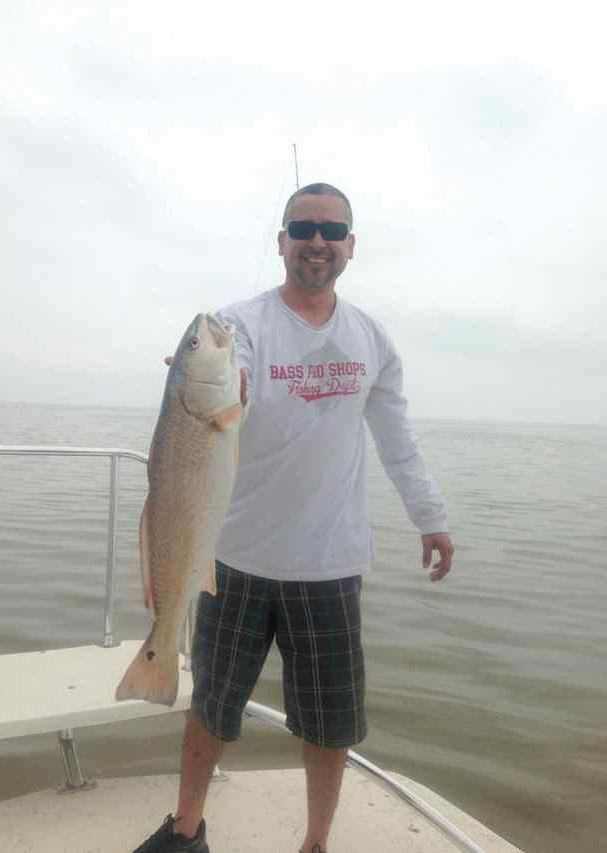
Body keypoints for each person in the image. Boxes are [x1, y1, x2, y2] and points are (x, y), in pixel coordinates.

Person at [134, 183, 454, 853]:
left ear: (350, 246)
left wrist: (430, 516)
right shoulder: (236, 325)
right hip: (235, 558)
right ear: (281, 241)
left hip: (330, 565)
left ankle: (315, 843)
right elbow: (233, 381)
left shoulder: (371, 338)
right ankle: (186, 830)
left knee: (330, 726)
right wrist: (225, 380)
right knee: (211, 708)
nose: (317, 241)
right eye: (303, 227)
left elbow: (397, 438)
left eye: (331, 231)